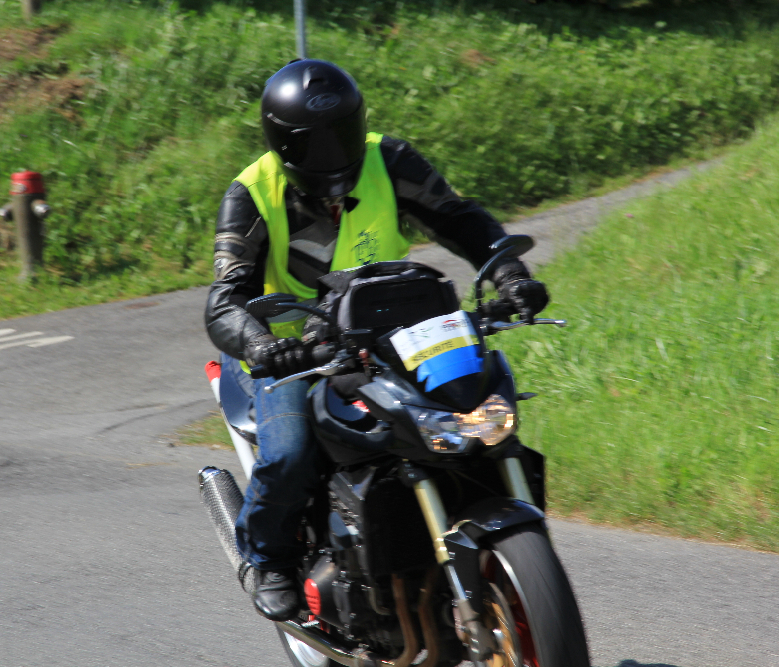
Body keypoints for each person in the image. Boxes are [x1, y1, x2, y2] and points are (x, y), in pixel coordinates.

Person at [203, 59, 549, 621]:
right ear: (283, 142)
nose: (333, 152)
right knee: (289, 453)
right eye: (314, 142)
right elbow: (224, 301)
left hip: (400, 333)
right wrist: (263, 345)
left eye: (342, 132)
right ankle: (269, 557)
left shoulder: (389, 159)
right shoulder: (252, 194)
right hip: (297, 354)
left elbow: (459, 218)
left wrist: (509, 275)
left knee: (475, 413)